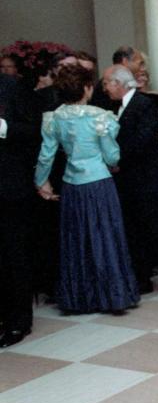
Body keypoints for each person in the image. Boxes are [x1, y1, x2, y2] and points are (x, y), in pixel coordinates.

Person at [34, 65, 139, 314]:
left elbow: (46, 155)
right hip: (99, 183)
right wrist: (110, 160)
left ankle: (81, 297)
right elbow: (112, 156)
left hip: (72, 184)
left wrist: (41, 182)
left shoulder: (54, 117)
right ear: (87, 88)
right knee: (105, 238)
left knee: (78, 240)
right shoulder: (100, 117)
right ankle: (113, 296)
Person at [104, 64, 158, 299]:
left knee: (157, 231)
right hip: (130, 181)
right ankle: (142, 279)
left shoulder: (143, 105)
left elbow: (144, 141)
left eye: (107, 83)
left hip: (146, 180)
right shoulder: (117, 106)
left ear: (120, 84)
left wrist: (117, 158)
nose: (104, 88)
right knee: (136, 232)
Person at [0, 69, 41, 347]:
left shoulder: (11, 87)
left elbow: (33, 131)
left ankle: (19, 321)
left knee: (13, 255)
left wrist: (3, 128)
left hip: (8, 187)